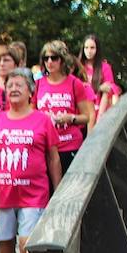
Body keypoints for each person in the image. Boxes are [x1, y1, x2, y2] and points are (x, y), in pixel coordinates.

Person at [0, 68, 62, 253]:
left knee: (25, 243)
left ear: (31, 90)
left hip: (34, 193)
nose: (14, 89)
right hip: (3, 193)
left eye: (19, 84)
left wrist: (59, 190)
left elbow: (53, 157)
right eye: (10, 85)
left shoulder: (42, 120)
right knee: (5, 241)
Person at [35, 40, 96, 173]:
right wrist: (43, 117)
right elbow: (31, 113)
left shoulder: (75, 83)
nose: (49, 62)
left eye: (54, 58)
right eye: (46, 58)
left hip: (69, 145)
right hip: (45, 146)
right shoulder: (38, 84)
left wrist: (70, 118)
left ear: (62, 60)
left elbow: (86, 117)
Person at [80, 35, 119, 119]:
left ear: (97, 49)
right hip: (83, 108)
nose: (89, 51)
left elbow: (110, 88)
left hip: (100, 108)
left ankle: (100, 120)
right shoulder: (79, 66)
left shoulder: (105, 67)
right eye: (86, 48)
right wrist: (98, 87)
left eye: (92, 48)